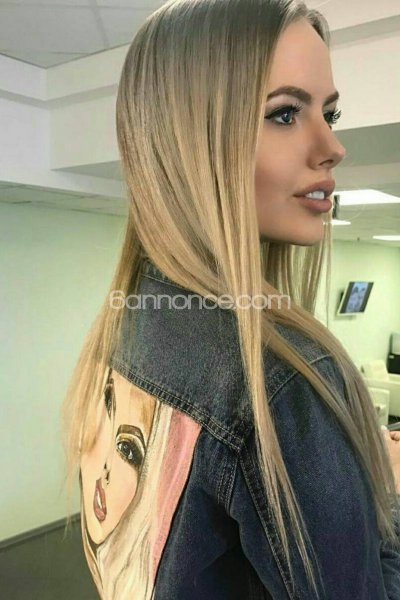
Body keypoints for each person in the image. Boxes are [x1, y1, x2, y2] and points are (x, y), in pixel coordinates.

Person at [60, 1, 400, 598]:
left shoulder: (131, 318)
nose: (333, 145)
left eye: (330, 112)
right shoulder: (281, 380)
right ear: (190, 142)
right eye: (285, 113)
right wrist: (385, 501)